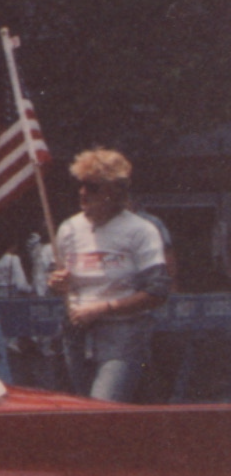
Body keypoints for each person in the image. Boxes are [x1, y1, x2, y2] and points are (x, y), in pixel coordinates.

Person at [47, 148, 169, 402]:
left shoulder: (140, 230)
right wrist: (56, 283)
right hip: (77, 334)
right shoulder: (69, 228)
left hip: (123, 334)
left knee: (103, 406)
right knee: (79, 408)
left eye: (92, 187)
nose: (83, 193)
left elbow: (157, 291)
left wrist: (102, 309)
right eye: (81, 185)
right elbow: (56, 280)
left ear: (115, 191)